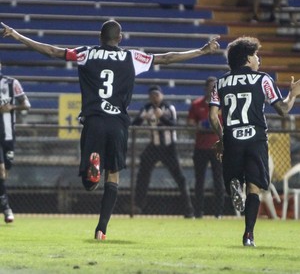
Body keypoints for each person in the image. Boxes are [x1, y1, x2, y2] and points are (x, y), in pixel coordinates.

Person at [1, 20, 220, 240]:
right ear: (120, 38)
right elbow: (167, 57)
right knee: (113, 175)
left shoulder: (86, 54)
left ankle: (92, 169)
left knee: (89, 184)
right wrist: (202, 51)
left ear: (99, 38)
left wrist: (18, 36)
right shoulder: (132, 57)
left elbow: (51, 51)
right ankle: (101, 229)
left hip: (94, 120)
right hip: (117, 123)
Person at [208, 36, 300, 247]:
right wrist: (293, 94)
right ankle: (248, 235)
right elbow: (283, 110)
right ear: (248, 59)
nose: (259, 59)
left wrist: (222, 139)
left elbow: (213, 116)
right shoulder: (262, 79)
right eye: (256, 55)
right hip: (256, 138)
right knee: (255, 187)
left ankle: (234, 183)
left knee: (234, 174)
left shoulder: (220, 82)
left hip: (232, 137)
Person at [132, 85, 194, 218]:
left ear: (161, 95)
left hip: (169, 147)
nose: (154, 97)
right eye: (152, 95)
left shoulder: (169, 107)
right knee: (143, 173)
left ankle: (188, 209)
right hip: (154, 145)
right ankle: (138, 205)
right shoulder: (147, 108)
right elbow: (135, 123)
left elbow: (173, 125)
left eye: (157, 95)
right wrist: (143, 118)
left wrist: (161, 117)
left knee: (180, 178)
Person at [187, 76, 224, 219]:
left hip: (217, 147)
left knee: (218, 180)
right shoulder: (197, 104)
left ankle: (219, 212)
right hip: (201, 147)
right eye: (210, 86)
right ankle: (198, 211)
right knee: (199, 180)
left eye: (215, 86)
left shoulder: (223, 105)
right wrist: (201, 125)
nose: (212, 89)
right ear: (205, 88)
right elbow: (190, 123)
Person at [0, 61, 31, 223]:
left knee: (5, 172)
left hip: (8, 135)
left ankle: (4, 204)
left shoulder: (11, 83)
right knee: (1, 170)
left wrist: (11, 108)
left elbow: (26, 105)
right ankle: (6, 208)